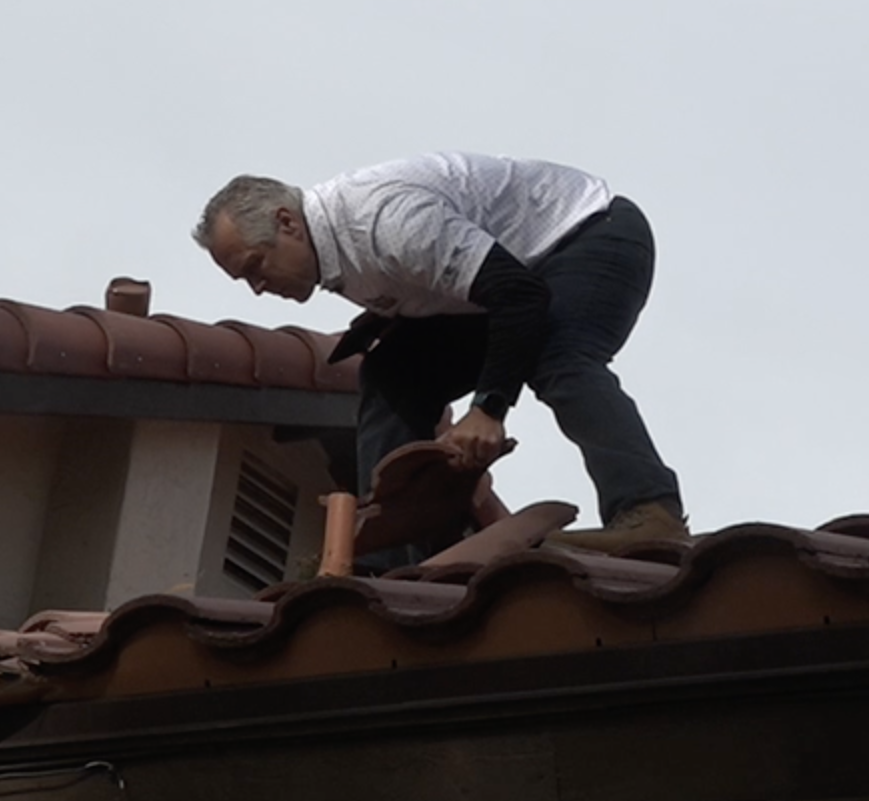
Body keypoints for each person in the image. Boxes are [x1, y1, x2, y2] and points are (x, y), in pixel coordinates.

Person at [193, 151, 686, 555]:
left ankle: (649, 511)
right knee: (393, 374)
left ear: (287, 223)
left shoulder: (385, 221)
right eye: (245, 279)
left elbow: (519, 298)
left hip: (587, 235)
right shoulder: (335, 248)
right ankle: (392, 555)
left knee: (559, 359)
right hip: (511, 279)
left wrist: (488, 408)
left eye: (256, 266)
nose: (257, 287)